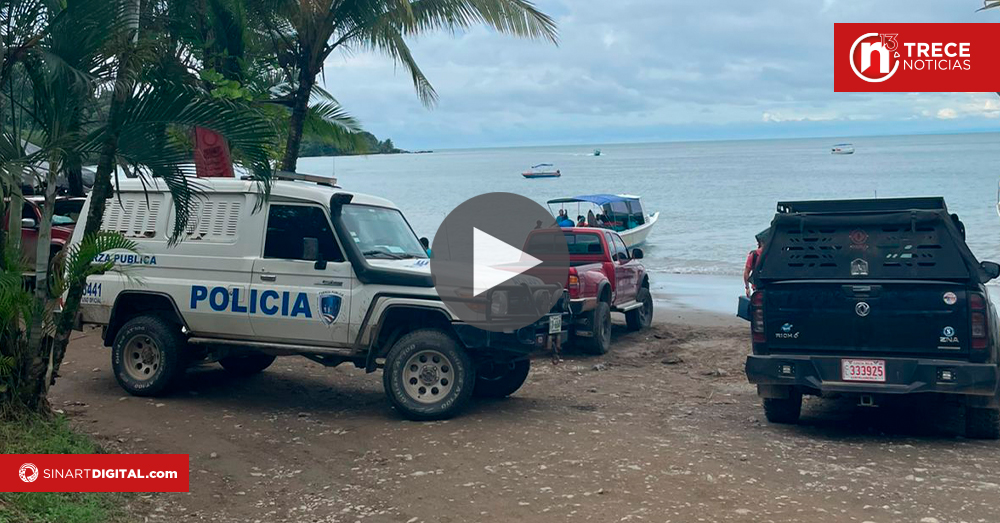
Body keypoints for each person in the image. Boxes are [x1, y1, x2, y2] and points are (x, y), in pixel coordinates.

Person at [744, 228, 769, 296]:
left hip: (757, 287)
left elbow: (746, 272)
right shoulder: (775, 254)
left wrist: (747, 288)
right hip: (771, 286)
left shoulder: (754, 254)